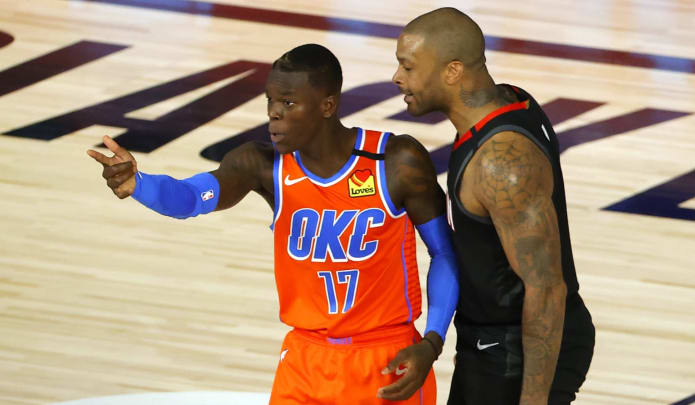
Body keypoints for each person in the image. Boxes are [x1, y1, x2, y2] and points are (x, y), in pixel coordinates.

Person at [88, 43, 459, 404]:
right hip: (304, 360)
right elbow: (188, 199)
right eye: (270, 101)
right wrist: (140, 184)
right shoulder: (261, 165)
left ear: (327, 105)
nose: (274, 114)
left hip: (385, 359)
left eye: (288, 103)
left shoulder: (395, 161)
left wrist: (432, 342)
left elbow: (444, 252)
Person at [392, 8, 595, 405]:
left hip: (518, 352)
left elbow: (547, 289)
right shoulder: (510, 102)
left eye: (408, 67)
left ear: (452, 71)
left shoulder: (501, 162)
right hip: (496, 343)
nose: (397, 78)